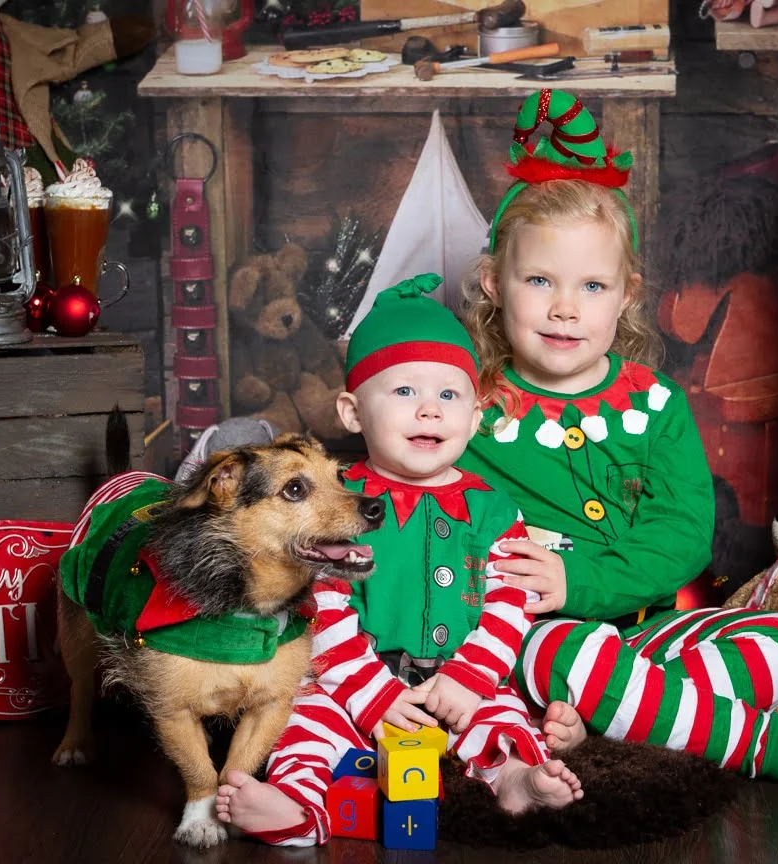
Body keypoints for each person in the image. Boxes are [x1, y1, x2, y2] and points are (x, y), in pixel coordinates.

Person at [457, 89, 778, 810]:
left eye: (591, 286)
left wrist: (584, 582)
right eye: (539, 281)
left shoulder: (654, 403)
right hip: (537, 644)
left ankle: (640, 712)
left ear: (625, 296)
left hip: (658, 631)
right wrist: (544, 593)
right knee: (575, 652)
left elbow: (684, 535)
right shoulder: (472, 408)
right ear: (493, 285)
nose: (565, 307)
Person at [214, 274, 582, 846]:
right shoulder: (336, 504)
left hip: (461, 680)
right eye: (405, 393)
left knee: (501, 716)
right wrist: (374, 694)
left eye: (448, 395)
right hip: (355, 679)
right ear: (353, 412)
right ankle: (298, 807)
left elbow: (511, 605)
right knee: (304, 720)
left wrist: (469, 678)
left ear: (476, 414)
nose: (430, 411)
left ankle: (513, 779)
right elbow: (322, 609)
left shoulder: (492, 510)